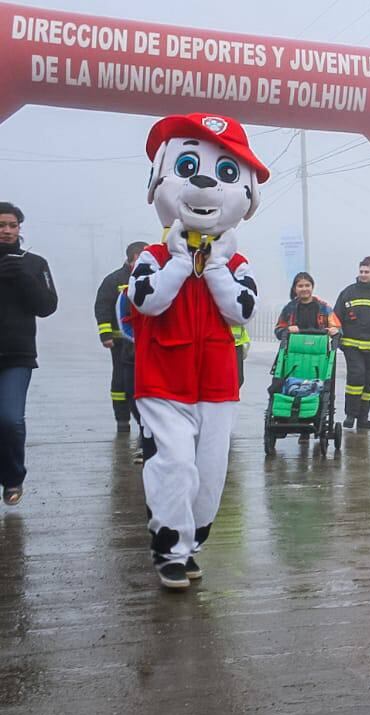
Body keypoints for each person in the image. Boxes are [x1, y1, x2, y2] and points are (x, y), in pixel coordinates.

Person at [126, 112, 267, 589]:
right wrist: (182, 264)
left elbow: (241, 312)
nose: (206, 181)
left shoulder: (239, 263)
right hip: (161, 377)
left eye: (228, 173)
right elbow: (148, 300)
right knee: (175, 464)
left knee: (209, 473)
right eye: (189, 167)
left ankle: (192, 541)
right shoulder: (154, 256)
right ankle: (169, 547)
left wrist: (216, 268)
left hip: (217, 383)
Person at [0, 202, 58, 507]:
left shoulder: (34, 263)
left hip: (17, 356)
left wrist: (23, 278)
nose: (7, 231)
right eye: (1, 225)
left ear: (20, 229)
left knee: (9, 420)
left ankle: (12, 479)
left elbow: (47, 306)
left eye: (12, 225)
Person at [93, 241, 148, 433]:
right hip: (120, 342)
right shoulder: (114, 280)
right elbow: (103, 307)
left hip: (145, 343)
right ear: (130, 258)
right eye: (140, 259)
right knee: (120, 382)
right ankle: (122, 419)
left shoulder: (153, 276)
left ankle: (145, 421)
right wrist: (106, 334)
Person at [335, 256, 370, 430]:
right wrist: (337, 336)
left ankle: (363, 418)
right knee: (356, 376)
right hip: (352, 345)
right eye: (361, 271)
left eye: (366, 272)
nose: (363, 274)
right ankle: (350, 415)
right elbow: (336, 317)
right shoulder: (348, 293)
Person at [274, 272, 340, 340]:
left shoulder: (324, 308)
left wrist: (334, 330)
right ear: (294, 289)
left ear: (312, 287)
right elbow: (278, 330)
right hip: (294, 347)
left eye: (307, 285)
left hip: (319, 347)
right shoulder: (289, 308)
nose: (304, 289)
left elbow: (338, 329)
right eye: (300, 286)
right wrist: (287, 330)